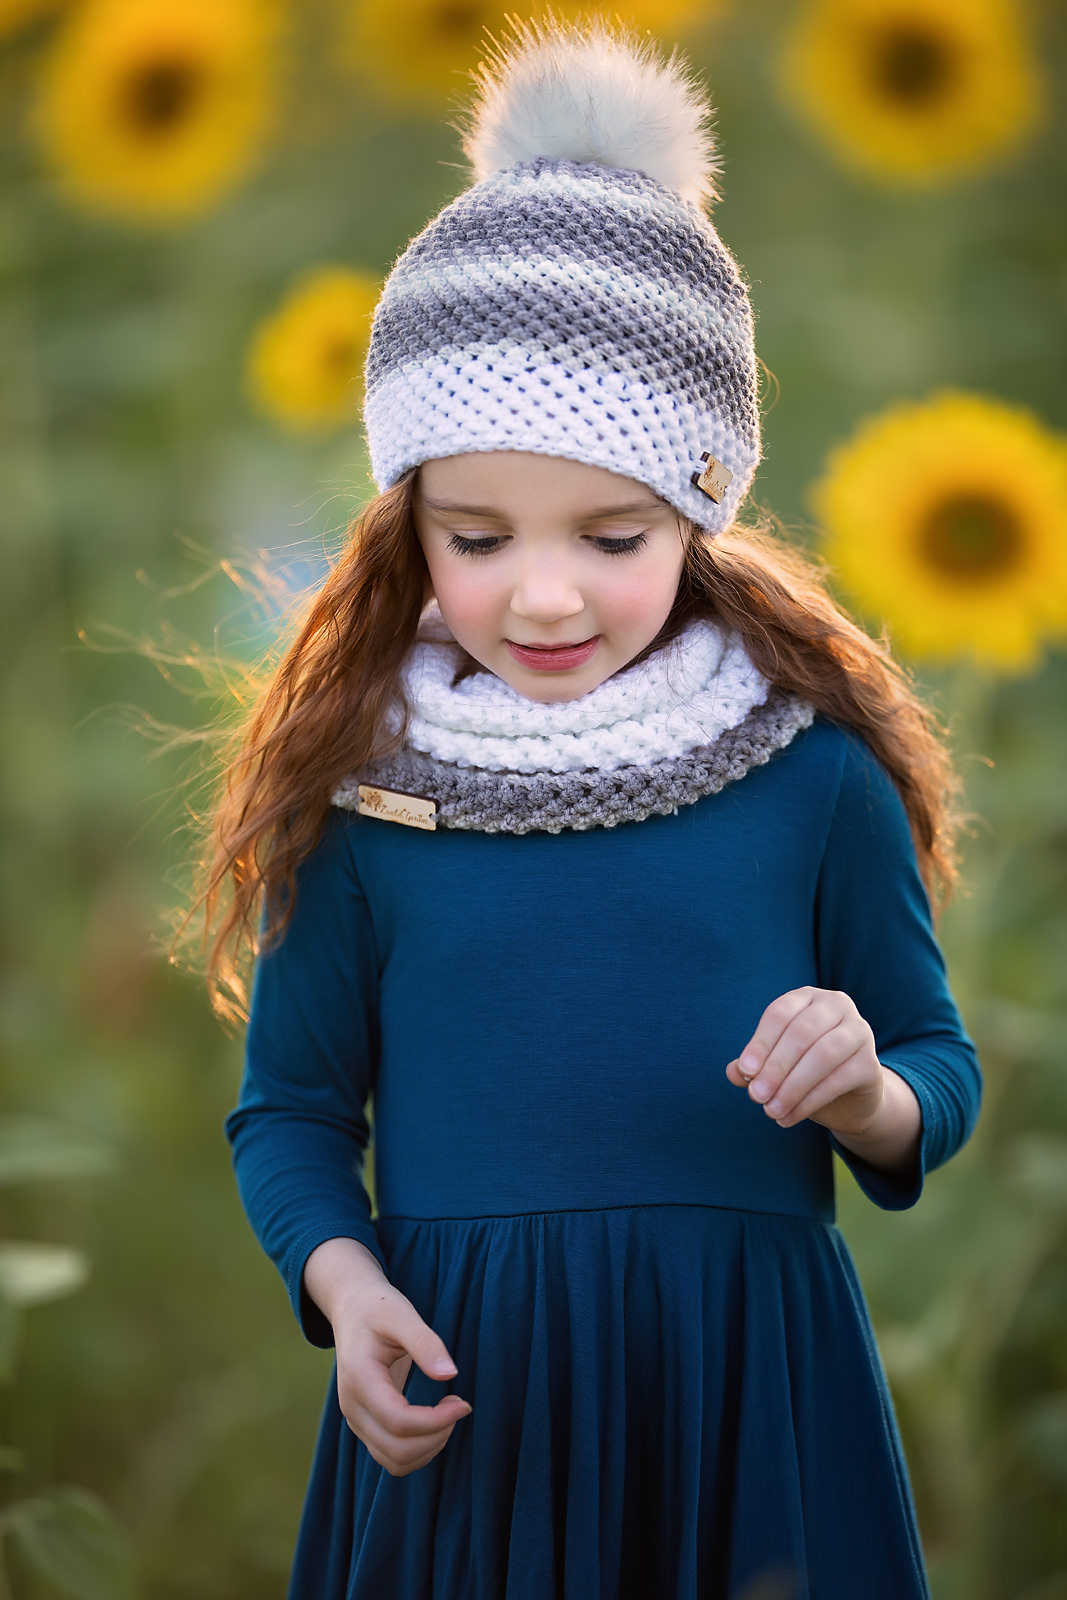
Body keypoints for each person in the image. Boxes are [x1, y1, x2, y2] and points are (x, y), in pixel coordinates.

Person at [196, 15, 982, 1599]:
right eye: (475, 537)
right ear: (405, 522)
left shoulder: (805, 769)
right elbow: (289, 1111)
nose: (541, 595)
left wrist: (860, 1092)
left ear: (703, 506)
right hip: (463, 1405)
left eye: (611, 537)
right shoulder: (372, 794)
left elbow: (933, 1074)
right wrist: (343, 1291)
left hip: (745, 1398)